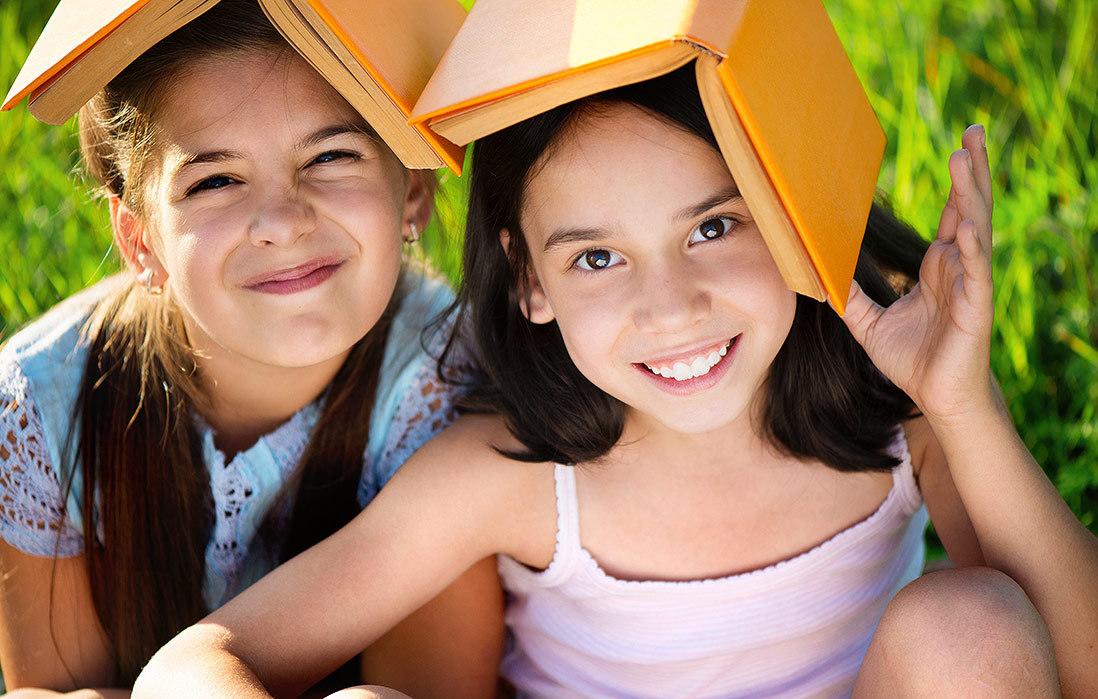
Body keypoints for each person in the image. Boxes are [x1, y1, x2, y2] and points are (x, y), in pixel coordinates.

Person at [136, 68, 1097, 698]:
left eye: (714, 228)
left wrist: (961, 408)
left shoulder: (900, 418)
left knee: (967, 626)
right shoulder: (512, 478)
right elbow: (199, 662)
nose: (670, 306)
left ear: (797, 209)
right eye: (597, 258)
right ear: (528, 279)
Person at [0, 2, 503, 696]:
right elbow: (52, 687)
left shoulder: (446, 383)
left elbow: (429, 687)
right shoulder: (43, 408)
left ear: (413, 188)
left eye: (331, 155)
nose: (284, 221)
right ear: (141, 239)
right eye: (215, 180)